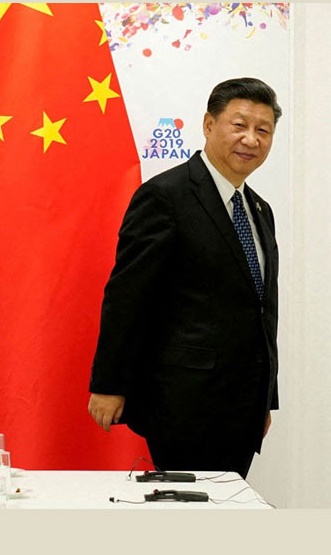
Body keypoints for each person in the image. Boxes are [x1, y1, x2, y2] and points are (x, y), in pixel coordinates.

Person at [87, 77, 281, 478]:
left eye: (263, 130)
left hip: (244, 406)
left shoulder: (259, 209)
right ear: (209, 125)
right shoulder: (166, 196)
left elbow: (262, 309)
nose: (251, 139)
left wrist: (265, 398)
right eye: (239, 125)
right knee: (190, 520)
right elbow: (127, 295)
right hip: (184, 400)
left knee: (226, 514)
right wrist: (109, 384)